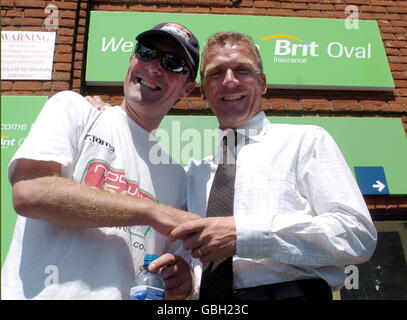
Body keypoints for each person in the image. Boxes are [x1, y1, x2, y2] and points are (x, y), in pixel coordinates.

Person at [169, 31, 378, 300]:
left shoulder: (305, 141)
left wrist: (246, 235)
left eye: (242, 70)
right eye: (216, 73)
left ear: (263, 83)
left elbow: (356, 235)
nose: (230, 81)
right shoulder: (194, 174)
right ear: (203, 92)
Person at [1, 23, 202, 300]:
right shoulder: (75, 109)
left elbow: (174, 269)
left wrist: (182, 279)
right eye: (146, 52)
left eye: (173, 63)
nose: (154, 67)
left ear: (187, 88)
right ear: (132, 58)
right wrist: (150, 211)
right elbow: (31, 191)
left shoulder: (177, 177)